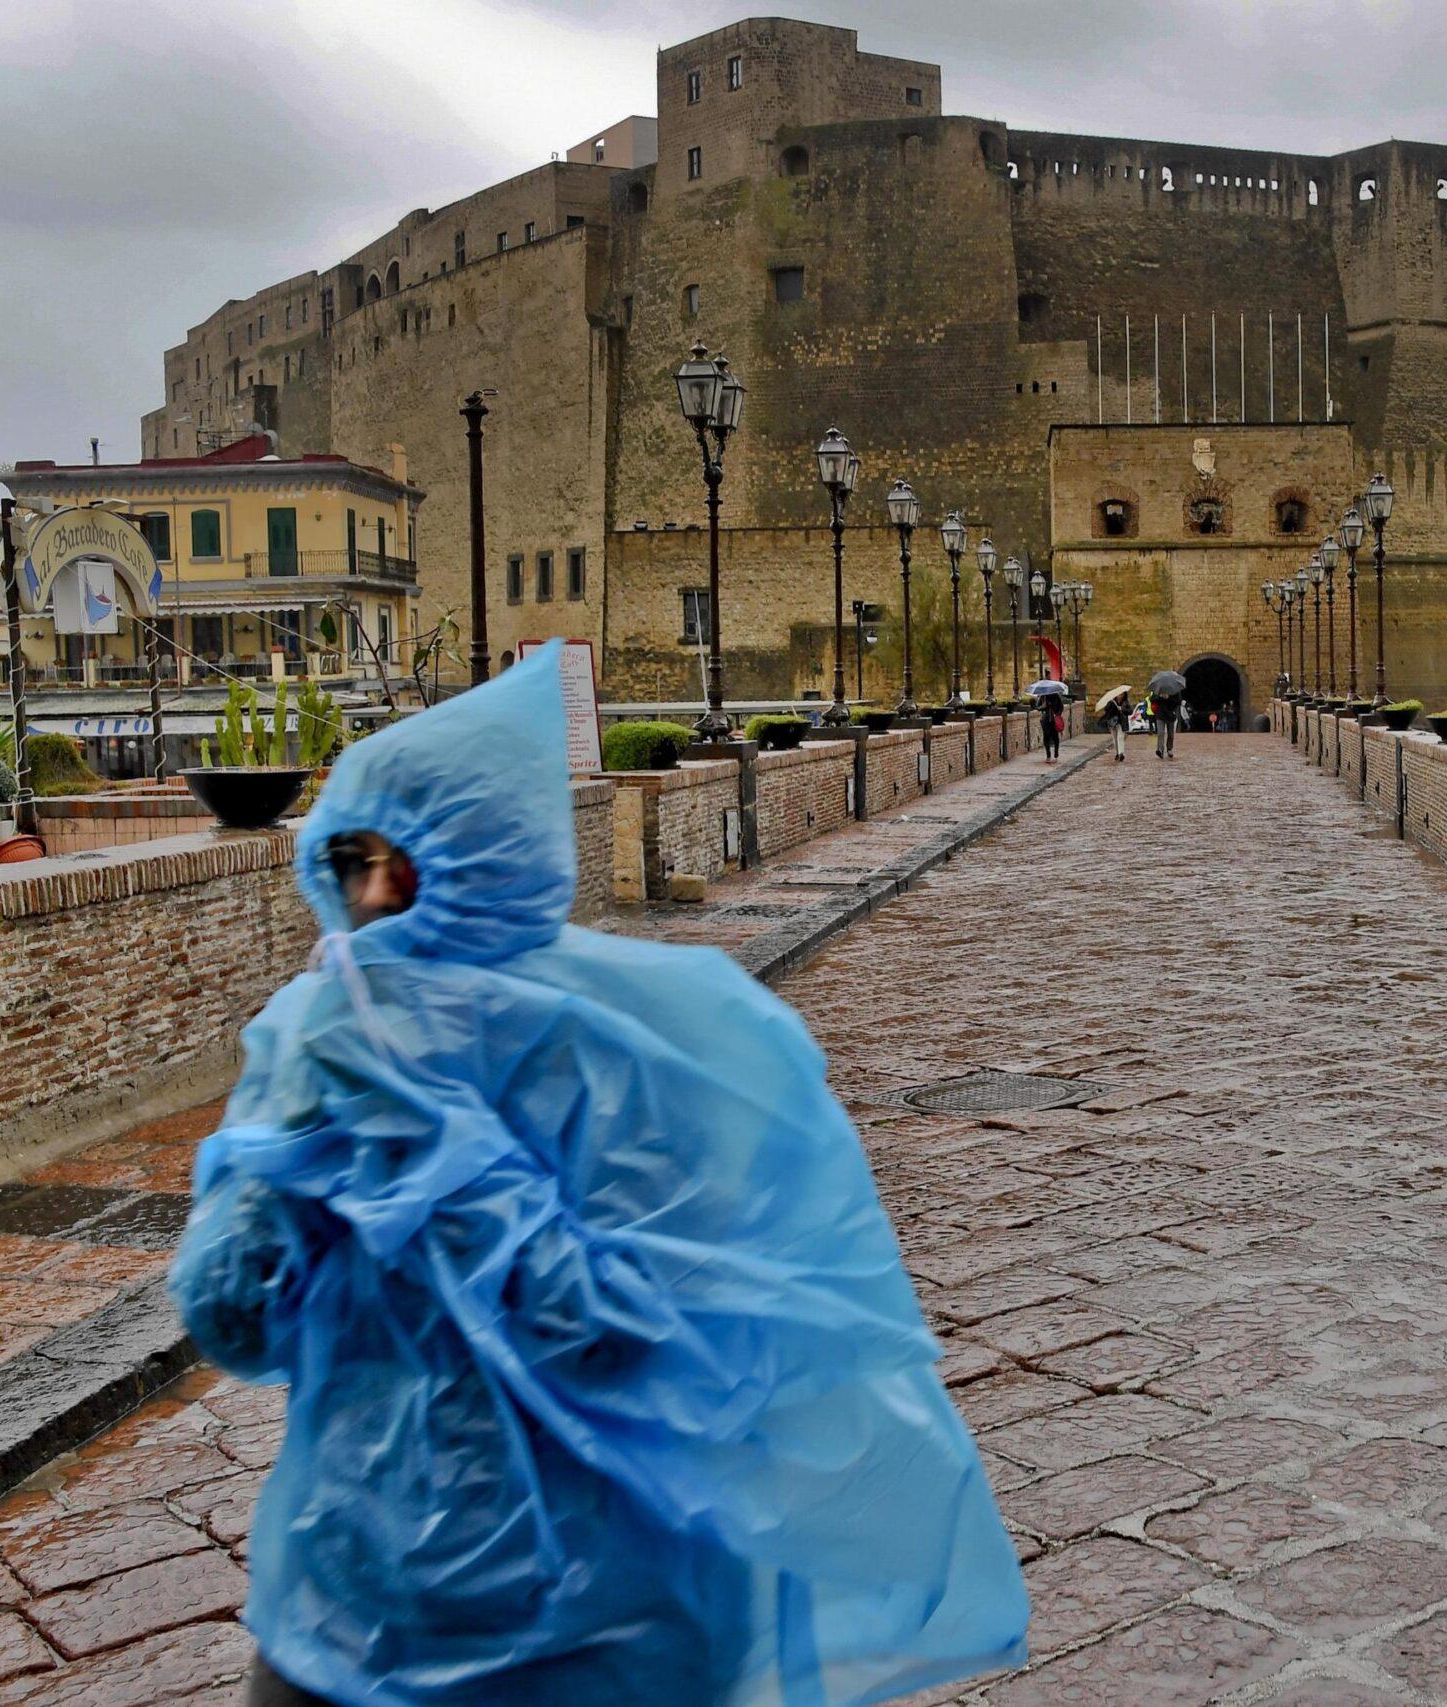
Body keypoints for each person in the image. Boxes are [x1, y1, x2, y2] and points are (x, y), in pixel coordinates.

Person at [169, 647, 1028, 1707]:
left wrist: (430, 1150)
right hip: (441, 1600)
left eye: (394, 861)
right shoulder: (347, 1047)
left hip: (520, 1612)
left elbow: (631, 1330)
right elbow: (236, 1317)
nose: (371, 894)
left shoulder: (627, 1048)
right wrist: (292, 1138)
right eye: (350, 859)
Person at [1098, 694, 1130, 763]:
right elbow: (1106, 710)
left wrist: (1122, 709)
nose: (1120, 696)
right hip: (1112, 722)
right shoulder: (1112, 702)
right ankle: (1117, 753)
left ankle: (1121, 753)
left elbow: (1130, 711)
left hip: (1121, 722)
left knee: (1120, 737)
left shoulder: (1126, 702)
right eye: (1119, 695)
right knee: (1115, 739)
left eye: (1122, 695)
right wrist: (1110, 704)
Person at [1153, 689, 1181, 759]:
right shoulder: (1158, 688)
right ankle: (1160, 749)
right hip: (1160, 714)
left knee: (1170, 733)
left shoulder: (1175, 689)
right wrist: (1160, 697)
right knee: (1160, 733)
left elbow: (1178, 701)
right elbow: (1152, 699)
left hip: (1170, 715)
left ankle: (1169, 749)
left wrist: (1168, 698)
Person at [1039, 691, 1064, 762]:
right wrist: (1043, 707)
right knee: (1046, 737)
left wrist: (1057, 714)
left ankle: (1056, 752)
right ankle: (1048, 755)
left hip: (1054, 720)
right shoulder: (1043, 696)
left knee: (1055, 737)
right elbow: (1037, 707)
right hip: (1046, 720)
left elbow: (1061, 707)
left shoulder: (1056, 696)